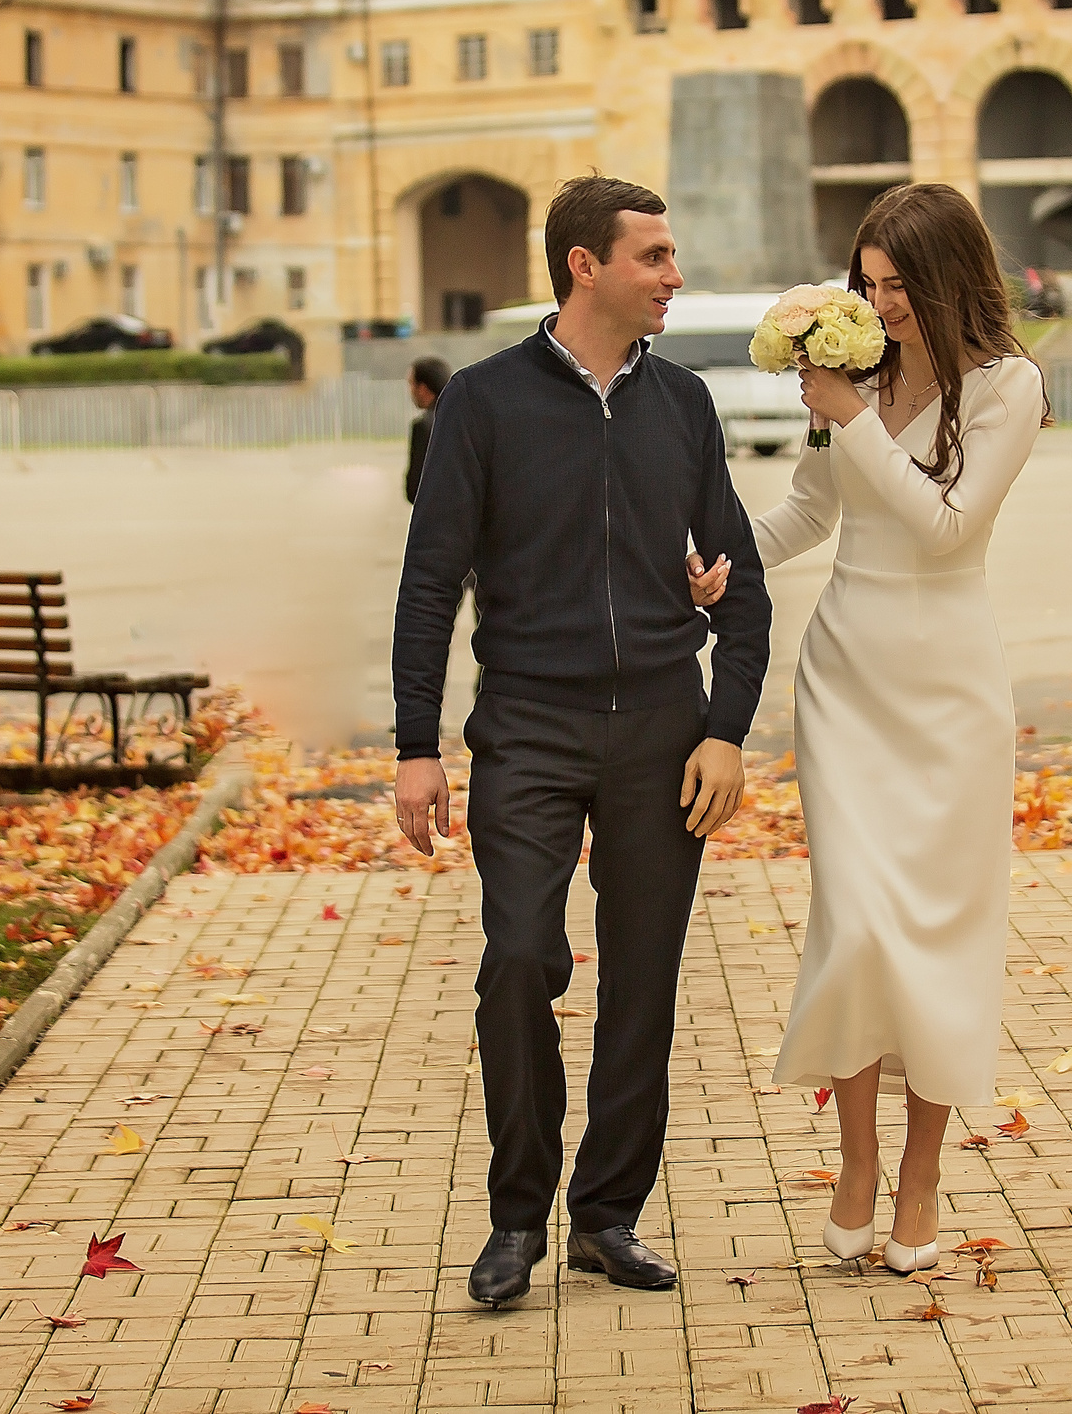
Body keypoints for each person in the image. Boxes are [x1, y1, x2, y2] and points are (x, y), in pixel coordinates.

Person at [391, 174, 772, 1309]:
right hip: (528, 727)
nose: (674, 275)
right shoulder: (483, 402)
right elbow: (429, 585)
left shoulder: (683, 404)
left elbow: (743, 587)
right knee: (518, 959)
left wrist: (725, 730)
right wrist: (417, 745)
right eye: (654, 256)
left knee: (642, 984)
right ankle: (517, 1216)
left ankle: (606, 1216)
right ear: (584, 266)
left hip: (660, 730)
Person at [695, 183, 1047, 1274]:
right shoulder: (862, 376)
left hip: (949, 688)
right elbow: (811, 509)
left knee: (936, 936)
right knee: (853, 928)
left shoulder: (1008, 385)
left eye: (898, 284)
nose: (881, 303)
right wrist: (721, 562)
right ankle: (855, 1163)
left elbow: (945, 527)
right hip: (845, 675)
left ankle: (921, 1174)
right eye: (869, 283)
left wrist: (851, 415)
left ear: (948, 277)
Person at [405, 355, 452, 503]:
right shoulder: (465, 418)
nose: (410, 391)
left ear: (423, 389)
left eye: (412, 384)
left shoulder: (423, 426)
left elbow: (415, 489)